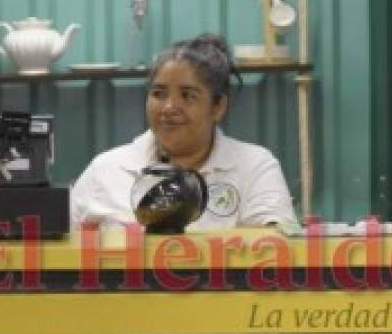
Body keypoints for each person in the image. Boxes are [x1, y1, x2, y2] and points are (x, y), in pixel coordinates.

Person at [69, 34, 298, 230]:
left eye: (188, 95)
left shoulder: (255, 167)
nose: (169, 108)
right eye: (159, 94)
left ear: (218, 107)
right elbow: (54, 251)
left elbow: (277, 250)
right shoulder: (107, 170)